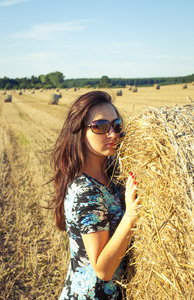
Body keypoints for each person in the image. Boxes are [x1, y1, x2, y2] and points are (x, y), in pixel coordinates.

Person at [50, 91, 140, 300]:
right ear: (80, 132)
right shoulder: (86, 191)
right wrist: (130, 216)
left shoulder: (113, 172)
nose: (113, 134)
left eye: (116, 125)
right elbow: (102, 269)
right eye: (100, 126)